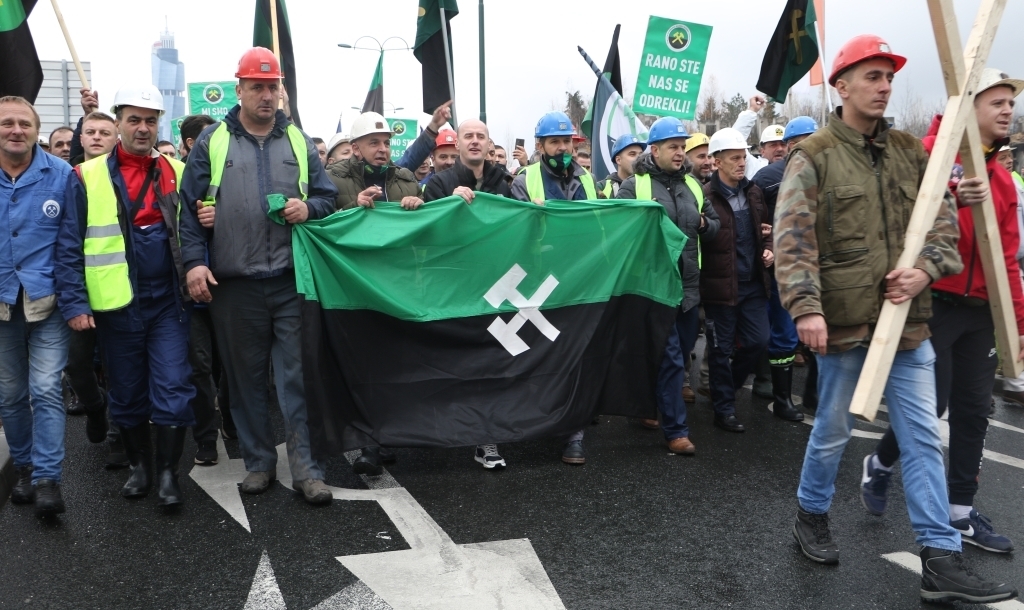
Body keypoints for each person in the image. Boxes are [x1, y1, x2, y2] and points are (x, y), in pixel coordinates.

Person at [775, 35, 1017, 603]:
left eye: (889, 77)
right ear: (842, 85)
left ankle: (940, 556)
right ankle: (811, 515)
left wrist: (926, 271)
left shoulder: (912, 152)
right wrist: (805, 309)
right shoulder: (814, 156)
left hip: (908, 326)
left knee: (924, 439)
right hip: (842, 325)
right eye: (873, 77)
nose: (885, 87)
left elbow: (941, 224)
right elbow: (793, 243)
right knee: (833, 433)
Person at [859, 69, 1024, 556]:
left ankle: (960, 512)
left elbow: (1009, 258)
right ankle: (881, 464)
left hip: (981, 311)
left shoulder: (1004, 180)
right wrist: (953, 195)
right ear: (966, 107)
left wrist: (1016, 323)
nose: (1006, 110)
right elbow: (901, 217)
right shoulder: (929, 153)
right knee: (929, 407)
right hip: (936, 302)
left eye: (1009, 102)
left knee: (976, 410)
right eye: (995, 101)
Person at [178, 47, 339, 505]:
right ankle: (258, 464)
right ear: (240, 90)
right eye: (257, 87)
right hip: (234, 285)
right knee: (246, 380)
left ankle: (307, 469)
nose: (266, 96)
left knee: (297, 379)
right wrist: (194, 263)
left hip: (291, 282)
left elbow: (328, 199)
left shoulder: (299, 142)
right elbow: (188, 212)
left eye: (273, 88)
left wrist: (308, 207)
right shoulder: (212, 141)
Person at [56, 84, 195, 509]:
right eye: (133, 119)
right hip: (118, 307)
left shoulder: (177, 170)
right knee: (128, 392)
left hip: (168, 303)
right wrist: (76, 303)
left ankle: (169, 474)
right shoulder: (86, 175)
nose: (142, 128)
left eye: (150, 120)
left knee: (173, 387)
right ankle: (141, 467)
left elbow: (193, 230)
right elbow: (68, 245)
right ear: (116, 123)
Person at [619, 117, 720, 454]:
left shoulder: (693, 185)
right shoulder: (635, 186)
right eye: (674, 147)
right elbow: (620, 230)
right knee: (672, 358)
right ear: (655, 149)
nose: (681, 153)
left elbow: (714, 224)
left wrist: (706, 224)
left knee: (676, 351)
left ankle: (647, 403)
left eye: (683, 147)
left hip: (689, 288)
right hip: (655, 287)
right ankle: (676, 431)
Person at [423, 119, 513, 469]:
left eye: (481, 136)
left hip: (496, 285)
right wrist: (447, 203)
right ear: (457, 143)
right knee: (457, 363)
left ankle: (485, 439)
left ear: (489, 144)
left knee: (490, 363)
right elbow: (429, 236)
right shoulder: (439, 184)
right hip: (455, 287)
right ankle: (448, 429)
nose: (475, 142)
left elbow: (522, 226)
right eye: (468, 136)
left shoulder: (506, 183)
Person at [0, 96, 74, 517]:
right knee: (10, 394)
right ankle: (25, 468)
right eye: (7, 123)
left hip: (49, 303)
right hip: (2, 304)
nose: (16, 130)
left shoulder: (61, 175)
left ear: (36, 129)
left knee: (46, 388)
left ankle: (48, 479)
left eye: (24, 123)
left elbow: (72, 241)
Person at [511, 111, 596, 464]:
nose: (563, 148)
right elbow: (512, 232)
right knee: (536, 354)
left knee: (574, 356)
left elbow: (599, 224)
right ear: (540, 145)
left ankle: (573, 434)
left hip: (576, 281)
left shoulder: (588, 179)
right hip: (537, 282)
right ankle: (534, 419)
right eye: (555, 142)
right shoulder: (523, 180)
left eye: (567, 142)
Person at [699, 128, 773, 433]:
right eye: (734, 158)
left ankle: (724, 389)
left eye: (743, 157)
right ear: (717, 162)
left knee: (758, 341)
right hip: (720, 288)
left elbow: (765, 230)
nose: (741, 163)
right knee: (720, 349)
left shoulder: (754, 192)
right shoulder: (704, 196)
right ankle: (724, 409)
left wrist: (769, 249)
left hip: (753, 284)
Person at [63, 109, 124, 468]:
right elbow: (67, 244)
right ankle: (96, 406)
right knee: (76, 364)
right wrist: (74, 300)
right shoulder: (71, 177)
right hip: (81, 294)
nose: (98, 137)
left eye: (105, 131)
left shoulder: (125, 176)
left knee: (119, 368)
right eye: (91, 131)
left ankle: (118, 436)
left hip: (118, 293)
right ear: (81, 138)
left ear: (115, 137)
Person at [751, 116, 821, 423]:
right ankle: (780, 397)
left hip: (820, 266)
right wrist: (767, 246)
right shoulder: (768, 177)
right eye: (805, 141)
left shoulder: (828, 173)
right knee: (783, 332)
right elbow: (756, 220)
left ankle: (814, 393)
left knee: (820, 332)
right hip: (784, 267)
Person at [597, 134, 645, 198]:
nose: (639, 158)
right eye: (632, 154)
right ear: (618, 160)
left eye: (641, 154)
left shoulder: (650, 184)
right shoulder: (601, 188)